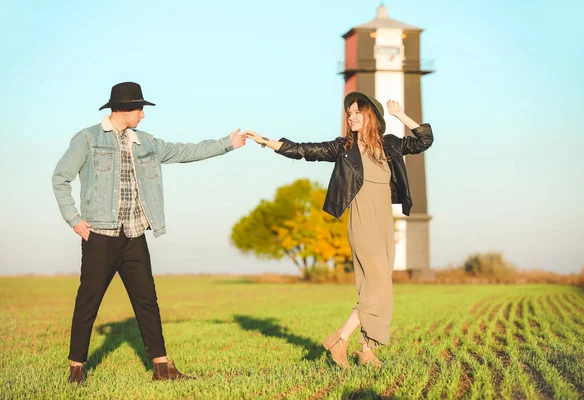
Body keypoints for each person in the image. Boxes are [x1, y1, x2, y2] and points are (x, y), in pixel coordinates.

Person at [52, 81, 247, 383]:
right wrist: (74, 218)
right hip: (100, 235)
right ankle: (76, 368)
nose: (143, 115)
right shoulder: (88, 139)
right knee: (88, 301)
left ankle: (162, 367)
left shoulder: (146, 142)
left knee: (147, 301)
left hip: (134, 235)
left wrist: (227, 143)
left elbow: (184, 151)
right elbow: (60, 178)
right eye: (140, 108)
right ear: (126, 109)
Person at [245, 92, 433, 368]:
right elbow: (304, 150)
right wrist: (266, 141)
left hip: (383, 222)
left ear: (371, 115)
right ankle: (340, 339)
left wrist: (400, 115)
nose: (351, 116)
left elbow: (424, 141)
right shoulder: (344, 148)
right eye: (349, 113)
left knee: (377, 288)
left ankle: (366, 350)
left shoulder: (390, 145)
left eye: (357, 112)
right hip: (362, 222)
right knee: (378, 287)